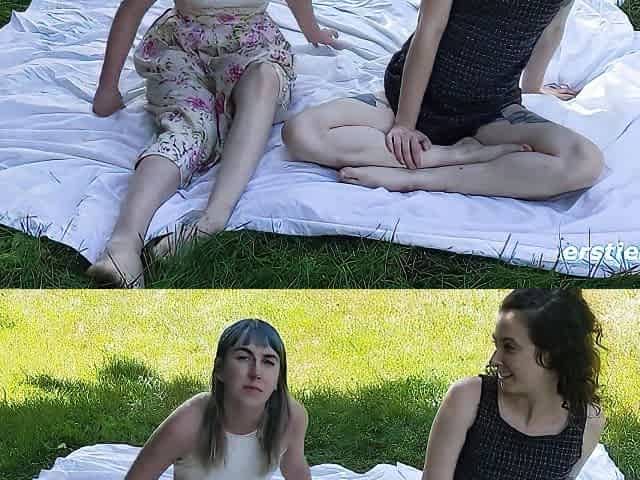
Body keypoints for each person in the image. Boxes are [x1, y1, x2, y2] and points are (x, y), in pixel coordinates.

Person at [87, 0, 339, 287]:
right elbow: (132, 8)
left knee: (262, 83)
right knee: (188, 128)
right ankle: (122, 245)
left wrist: (312, 31)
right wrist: (107, 87)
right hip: (183, 47)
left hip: (253, 47)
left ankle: (213, 220)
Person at [282, 0, 603, 200]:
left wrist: (533, 88)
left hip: (490, 110)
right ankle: (455, 154)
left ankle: (419, 178)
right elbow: (429, 30)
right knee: (301, 132)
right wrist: (405, 124)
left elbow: (552, 30)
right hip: (413, 97)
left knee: (584, 162)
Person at [422, 289, 606, 480]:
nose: (494, 360)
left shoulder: (587, 422)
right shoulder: (467, 399)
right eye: (497, 345)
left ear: (553, 354)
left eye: (509, 347)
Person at [124, 318, 311, 480]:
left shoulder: (290, 417)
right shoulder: (189, 422)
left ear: (278, 378)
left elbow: (296, 471)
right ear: (219, 369)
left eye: (268, 362)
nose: (256, 373)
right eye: (243, 358)